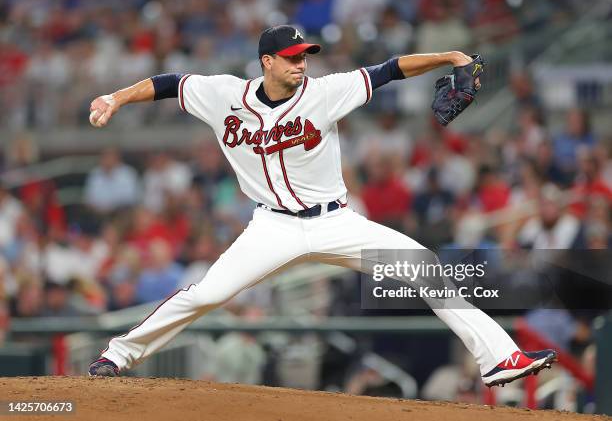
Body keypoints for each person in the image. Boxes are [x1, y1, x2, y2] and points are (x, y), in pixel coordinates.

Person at [87, 25, 556, 387]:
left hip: (336, 222)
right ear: (266, 61)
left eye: (304, 55)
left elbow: (390, 69)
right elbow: (169, 83)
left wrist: (448, 58)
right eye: (291, 58)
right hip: (272, 228)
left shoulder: (325, 92)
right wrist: (117, 97)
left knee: (425, 266)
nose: (301, 64)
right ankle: (119, 354)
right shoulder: (225, 95)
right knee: (207, 294)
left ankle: (499, 359)